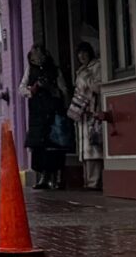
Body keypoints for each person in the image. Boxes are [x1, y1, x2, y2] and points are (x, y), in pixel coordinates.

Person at [24, 47, 70, 190]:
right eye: (34, 57)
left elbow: (63, 90)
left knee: (54, 145)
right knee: (39, 147)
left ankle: (56, 177)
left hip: (52, 110)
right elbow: (22, 89)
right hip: (37, 112)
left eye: (39, 55)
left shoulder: (55, 70)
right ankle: (43, 177)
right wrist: (32, 90)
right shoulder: (30, 71)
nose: (37, 59)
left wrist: (51, 89)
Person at [70, 40, 103, 191]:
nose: (81, 56)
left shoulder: (97, 67)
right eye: (79, 53)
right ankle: (87, 180)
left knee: (93, 147)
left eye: (84, 52)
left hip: (92, 111)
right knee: (84, 148)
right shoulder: (81, 70)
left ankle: (94, 181)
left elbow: (97, 87)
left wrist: (87, 77)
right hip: (81, 111)